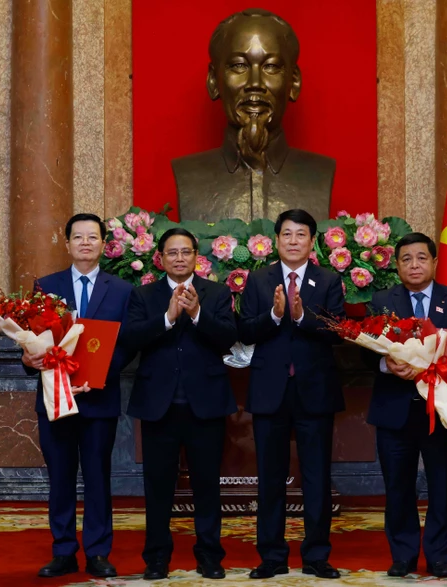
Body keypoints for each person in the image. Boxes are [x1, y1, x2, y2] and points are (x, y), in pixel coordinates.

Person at [119, 228, 238, 581]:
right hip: (160, 405)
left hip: (206, 404)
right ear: (160, 258)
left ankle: (210, 556)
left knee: (207, 485)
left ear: (196, 256)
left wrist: (198, 312)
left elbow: (228, 337)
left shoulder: (216, 293)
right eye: (172, 252)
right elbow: (131, 337)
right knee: (158, 487)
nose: (180, 258)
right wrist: (168, 318)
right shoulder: (143, 295)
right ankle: (157, 559)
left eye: (186, 251)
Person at [22, 213, 133, 579]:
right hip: (56, 398)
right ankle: (64, 551)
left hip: (98, 399)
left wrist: (96, 376)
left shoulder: (121, 289)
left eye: (93, 237)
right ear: (66, 242)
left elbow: (126, 346)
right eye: (78, 237)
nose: (86, 243)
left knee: (99, 477)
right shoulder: (46, 287)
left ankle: (99, 552)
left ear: (104, 244)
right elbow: (32, 340)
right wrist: (29, 358)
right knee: (61, 477)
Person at [238, 209, 345, 580]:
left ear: (312, 242)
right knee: (270, 477)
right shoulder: (258, 280)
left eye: (301, 234)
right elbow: (247, 330)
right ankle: (272, 556)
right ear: (277, 240)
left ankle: (316, 556)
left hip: (314, 391)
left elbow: (337, 330)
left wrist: (301, 318)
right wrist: (274, 314)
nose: (294, 240)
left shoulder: (329, 280)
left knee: (316, 476)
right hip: (271, 391)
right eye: (287, 234)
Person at [366, 232, 447, 579]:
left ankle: (440, 556)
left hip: (442, 411)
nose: (414, 265)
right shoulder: (381, 301)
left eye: (421, 258)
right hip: (394, 410)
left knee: (443, 487)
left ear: (433, 262)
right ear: (397, 265)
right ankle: (403, 556)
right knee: (398, 487)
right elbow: (364, 352)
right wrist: (388, 365)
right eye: (406, 259)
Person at [172, 8, 334, 223]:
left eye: (271, 66)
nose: (255, 83)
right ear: (213, 81)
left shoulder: (321, 172)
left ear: (294, 82)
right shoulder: (188, 174)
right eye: (239, 66)